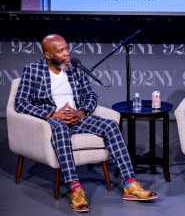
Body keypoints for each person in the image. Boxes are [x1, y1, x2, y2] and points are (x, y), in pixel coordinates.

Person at [14, 34, 157, 212]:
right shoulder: (32, 70)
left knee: (110, 125)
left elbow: (91, 95)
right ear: (48, 55)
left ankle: (130, 184)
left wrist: (81, 112)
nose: (67, 53)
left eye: (66, 48)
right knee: (59, 128)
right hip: (53, 122)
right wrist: (50, 114)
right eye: (60, 51)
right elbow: (20, 103)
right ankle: (76, 189)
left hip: (78, 118)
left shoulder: (74, 68)